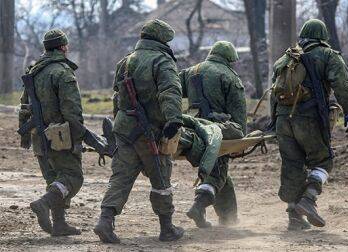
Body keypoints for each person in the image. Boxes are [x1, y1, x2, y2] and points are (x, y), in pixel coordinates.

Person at [93, 19, 184, 243]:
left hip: (124, 130)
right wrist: (174, 119)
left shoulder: (124, 62)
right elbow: (170, 91)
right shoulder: (162, 61)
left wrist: (119, 124)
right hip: (150, 131)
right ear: (162, 40)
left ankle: (105, 221)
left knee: (121, 177)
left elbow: (117, 96)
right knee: (161, 178)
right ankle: (167, 228)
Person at [270, 19, 348, 230]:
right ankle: (308, 200)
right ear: (323, 36)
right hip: (309, 119)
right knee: (323, 160)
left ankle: (294, 217)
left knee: (292, 165)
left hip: (283, 120)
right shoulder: (327, 55)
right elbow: (342, 85)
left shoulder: (287, 57)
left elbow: (274, 91)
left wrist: (273, 121)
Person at [19, 29, 91, 236]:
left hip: (38, 135)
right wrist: (79, 136)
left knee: (54, 179)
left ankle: (59, 224)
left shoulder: (34, 70)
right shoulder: (62, 72)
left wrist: (26, 135)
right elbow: (72, 109)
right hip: (60, 136)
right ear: (63, 47)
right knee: (72, 177)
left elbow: (24, 105)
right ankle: (44, 203)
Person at [179, 41, 247, 228]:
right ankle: (199, 204)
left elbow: (173, 91)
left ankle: (228, 218)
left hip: (193, 128)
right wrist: (240, 141)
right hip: (217, 131)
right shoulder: (230, 77)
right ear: (229, 59)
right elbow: (239, 115)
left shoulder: (191, 71)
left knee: (220, 172)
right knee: (218, 170)